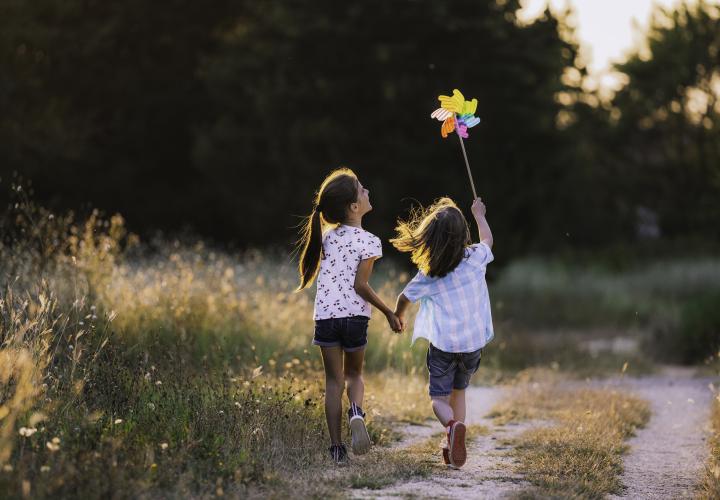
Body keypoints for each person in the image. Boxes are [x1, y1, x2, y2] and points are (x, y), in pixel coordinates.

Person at [296, 168, 402, 464]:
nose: (368, 191)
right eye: (362, 190)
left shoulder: (326, 238)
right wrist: (388, 312)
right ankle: (356, 411)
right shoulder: (370, 241)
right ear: (355, 207)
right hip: (355, 317)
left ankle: (336, 449)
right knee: (354, 375)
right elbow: (360, 286)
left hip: (327, 317)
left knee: (333, 382)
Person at [392, 197, 494, 468]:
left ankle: (451, 427)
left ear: (431, 238)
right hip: (472, 345)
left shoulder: (430, 273)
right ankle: (455, 436)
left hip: (444, 347)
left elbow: (405, 297)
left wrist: (398, 316)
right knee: (458, 393)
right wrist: (479, 214)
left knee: (438, 399)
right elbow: (488, 240)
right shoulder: (475, 258)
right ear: (463, 235)